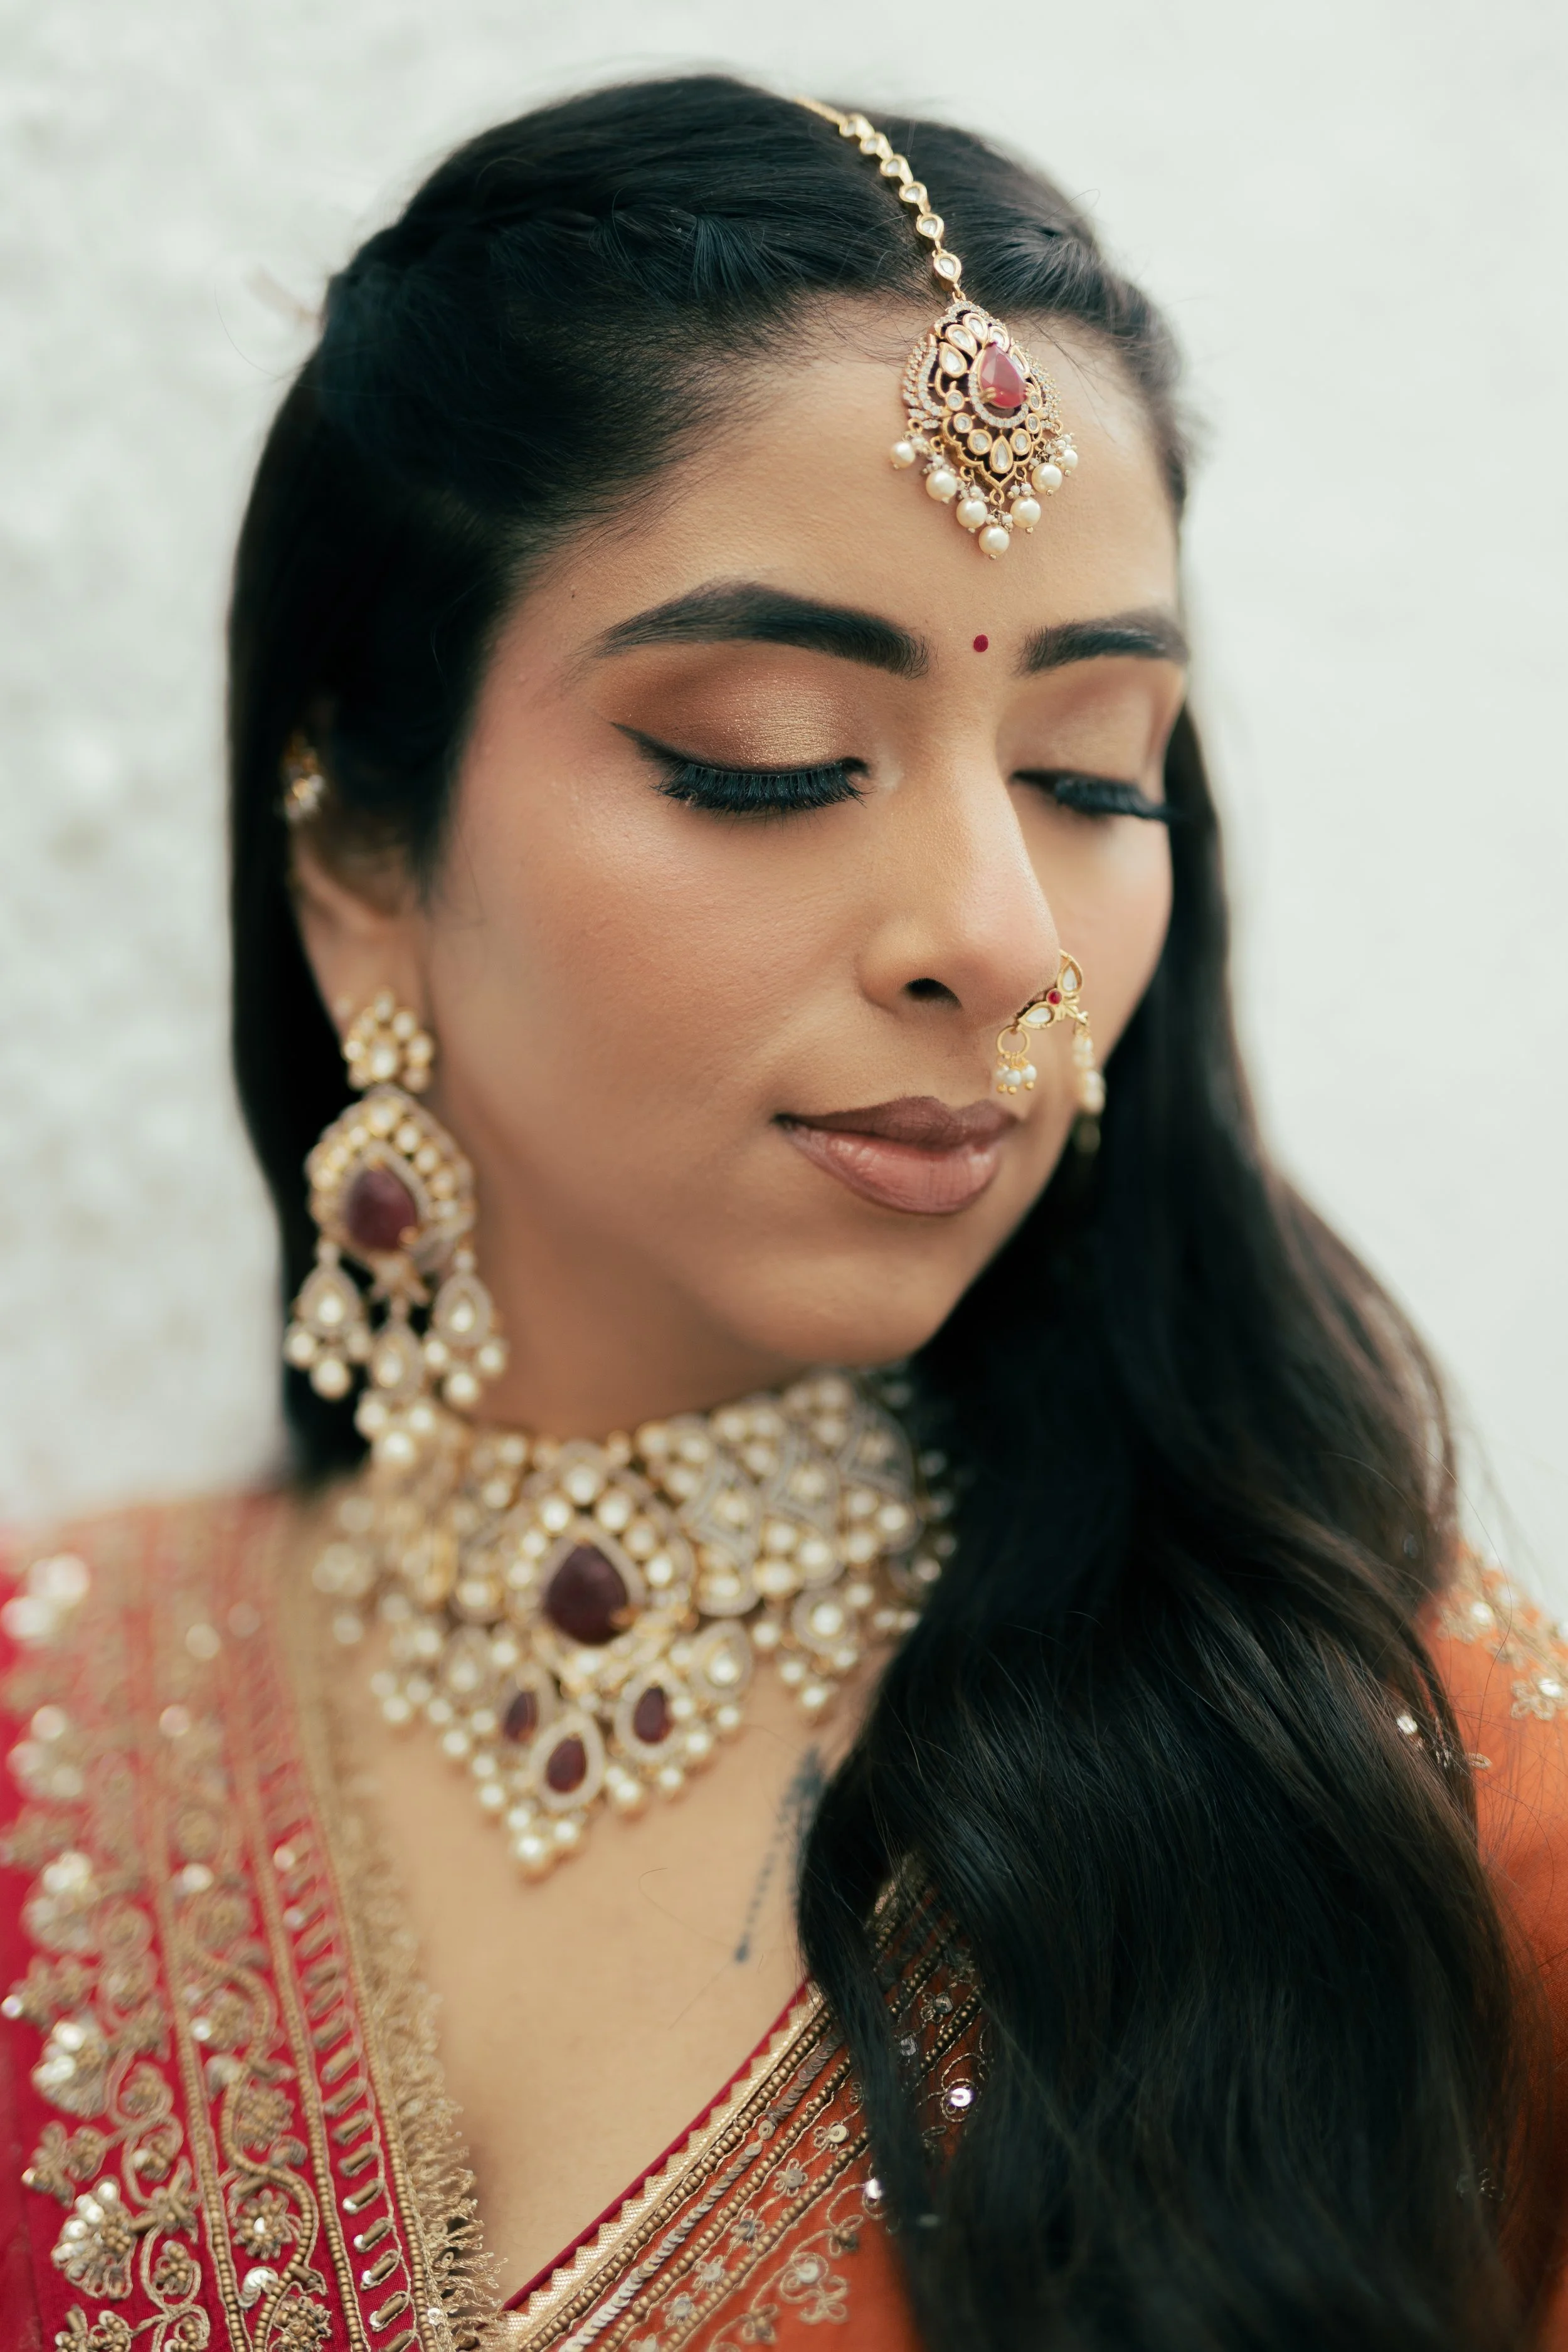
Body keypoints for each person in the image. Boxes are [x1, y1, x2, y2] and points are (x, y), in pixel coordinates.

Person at [2, 73, 1564, 2352]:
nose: (997, 931)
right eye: (767, 752)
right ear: (356, 852)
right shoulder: (44, 1714)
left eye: (1090, 772)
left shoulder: (1407, 1793)